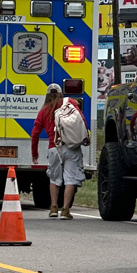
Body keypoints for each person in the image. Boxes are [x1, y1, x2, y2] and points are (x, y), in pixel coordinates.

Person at [31, 83, 88, 219]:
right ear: (61, 93)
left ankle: (54, 208)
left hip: (54, 148)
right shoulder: (70, 104)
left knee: (54, 179)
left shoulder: (43, 111)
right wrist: (85, 137)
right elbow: (81, 121)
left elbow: (35, 133)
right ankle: (65, 210)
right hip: (71, 147)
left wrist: (35, 153)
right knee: (70, 179)